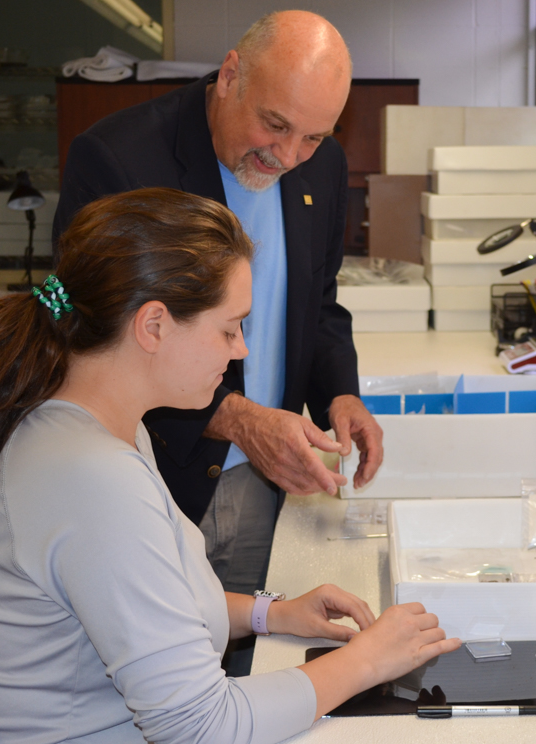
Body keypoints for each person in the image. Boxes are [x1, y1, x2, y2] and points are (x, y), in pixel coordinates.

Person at [0, 188, 459, 744]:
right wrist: (368, 662)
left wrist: (273, 612)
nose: (240, 349)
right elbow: (200, 730)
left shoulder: (97, 425)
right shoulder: (91, 479)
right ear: (153, 326)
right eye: (229, 328)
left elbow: (156, 603)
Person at [53, 11, 382, 646]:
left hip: (270, 477)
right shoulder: (117, 157)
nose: (287, 157)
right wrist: (236, 418)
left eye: (311, 137)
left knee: (244, 658)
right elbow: (63, 312)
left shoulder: (324, 165)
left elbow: (318, 302)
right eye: (275, 124)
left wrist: (341, 393)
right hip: (155, 477)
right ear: (231, 75)